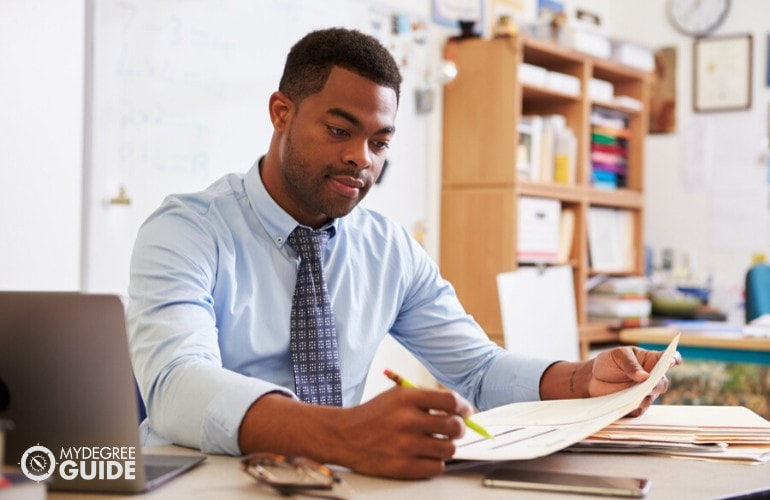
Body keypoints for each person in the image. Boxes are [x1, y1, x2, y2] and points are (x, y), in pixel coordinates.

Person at [127, 27, 680, 480]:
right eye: (340, 129)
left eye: (380, 142)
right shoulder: (187, 230)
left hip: (335, 482)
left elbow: (480, 370)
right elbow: (177, 386)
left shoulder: (388, 248)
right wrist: (343, 433)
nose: (360, 159)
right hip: (204, 483)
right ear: (281, 113)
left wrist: (581, 379)